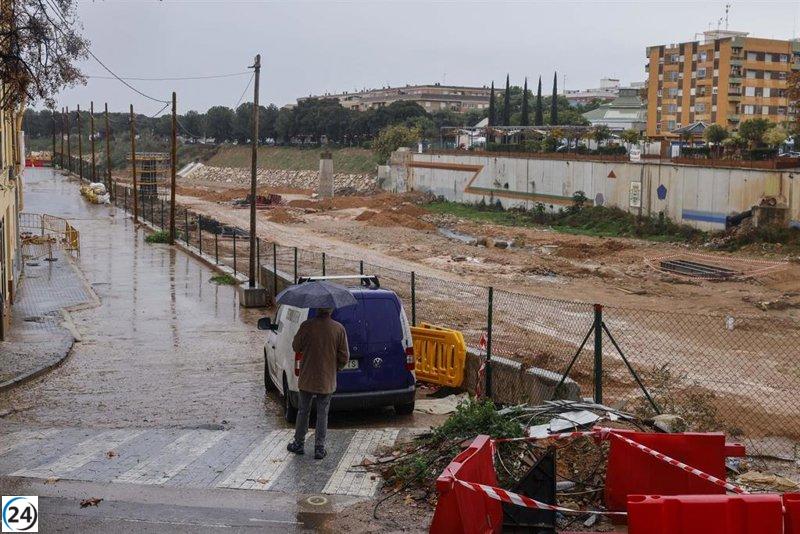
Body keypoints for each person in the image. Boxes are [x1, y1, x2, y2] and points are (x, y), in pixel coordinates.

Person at [287, 307, 349, 459]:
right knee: (323, 413)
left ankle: (299, 443)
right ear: (331, 310)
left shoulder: (306, 326)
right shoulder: (338, 328)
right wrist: (337, 368)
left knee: (303, 411)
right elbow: (345, 356)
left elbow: (296, 346)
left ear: (317, 308)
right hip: (326, 378)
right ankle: (319, 448)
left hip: (307, 376)